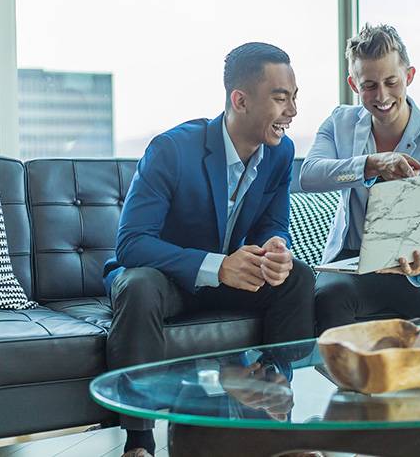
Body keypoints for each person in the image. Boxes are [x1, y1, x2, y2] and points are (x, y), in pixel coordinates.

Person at [103, 42, 316, 456]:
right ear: (240, 99)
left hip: (230, 276)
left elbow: (274, 222)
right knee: (138, 287)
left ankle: (274, 416)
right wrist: (217, 267)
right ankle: (139, 441)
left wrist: (277, 248)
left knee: (298, 277)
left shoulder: (281, 153)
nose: (292, 111)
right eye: (280, 98)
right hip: (167, 280)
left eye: (294, 98)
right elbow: (131, 243)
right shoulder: (171, 149)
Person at [300, 24, 420, 334]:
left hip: (417, 265)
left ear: (409, 76)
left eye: (391, 81)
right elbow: (309, 175)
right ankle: (346, 382)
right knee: (328, 296)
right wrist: (371, 164)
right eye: (369, 85)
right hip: (354, 262)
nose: (382, 96)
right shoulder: (339, 123)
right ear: (353, 84)